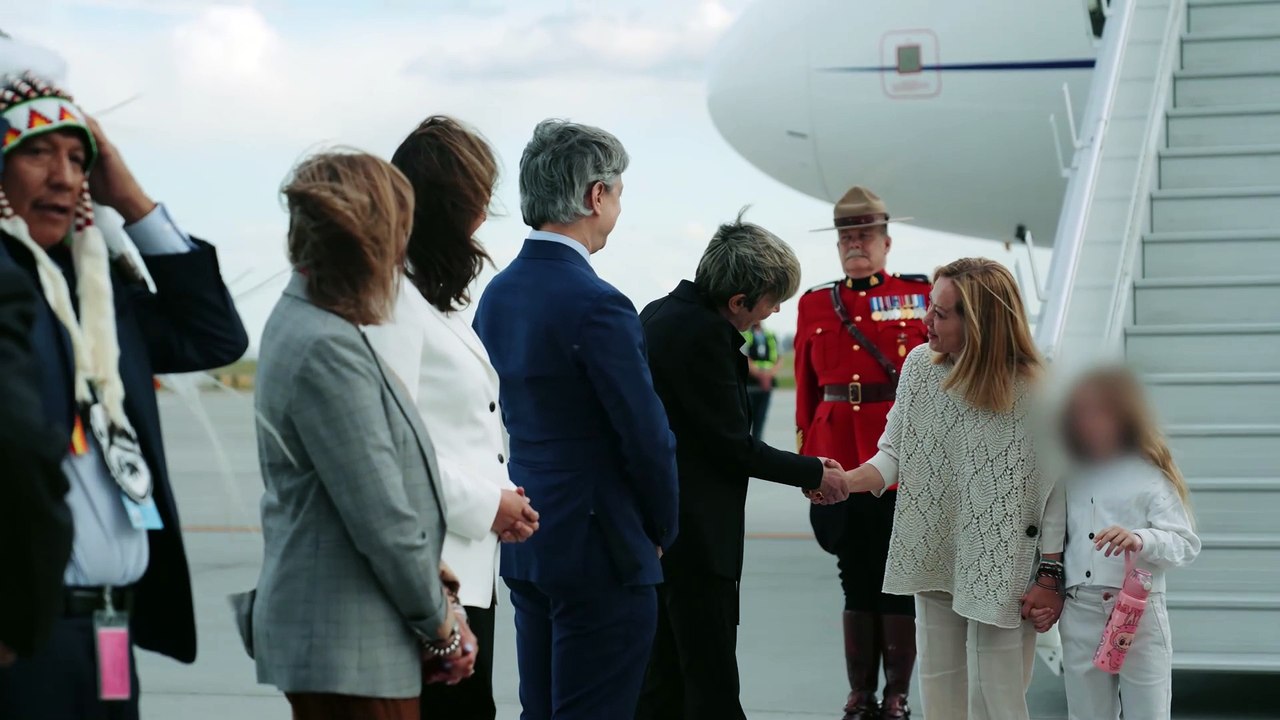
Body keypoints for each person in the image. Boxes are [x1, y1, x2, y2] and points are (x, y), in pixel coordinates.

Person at [0, 71, 249, 719]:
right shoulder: (8, 296)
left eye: (79, 158)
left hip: (112, 629)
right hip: (27, 637)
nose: (64, 176)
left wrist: (128, 196)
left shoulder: (100, 301)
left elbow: (213, 335)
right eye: (36, 151)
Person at [236, 149, 476, 720]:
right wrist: (442, 626)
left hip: (346, 642)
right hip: (351, 646)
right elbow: (381, 516)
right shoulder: (326, 347)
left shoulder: (316, 324)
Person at [473, 119, 679, 720]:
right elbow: (647, 438)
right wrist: (661, 529)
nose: (617, 207)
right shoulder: (600, 304)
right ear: (595, 195)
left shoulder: (499, 293)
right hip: (601, 545)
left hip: (530, 535)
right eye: (616, 193)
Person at [635, 211, 849, 720]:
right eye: (771, 304)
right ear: (738, 301)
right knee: (709, 684)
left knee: (662, 681)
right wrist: (815, 471)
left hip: (663, 532)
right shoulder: (704, 337)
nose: (771, 316)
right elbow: (732, 445)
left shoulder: (658, 314)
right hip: (697, 538)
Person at [365, 115, 540, 720]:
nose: (485, 215)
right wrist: (486, 503)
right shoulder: (391, 301)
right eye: (480, 198)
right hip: (429, 571)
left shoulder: (429, 297)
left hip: (466, 563)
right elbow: (385, 441)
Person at [839, 257, 1064, 720]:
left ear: (978, 322)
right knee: (939, 687)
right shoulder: (921, 368)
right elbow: (893, 455)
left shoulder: (1038, 390)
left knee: (997, 694)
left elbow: (1056, 491)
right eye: (930, 309)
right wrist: (844, 481)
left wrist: (1050, 575)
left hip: (1004, 561)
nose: (927, 322)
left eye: (941, 313)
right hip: (934, 546)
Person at [792, 186, 929, 719]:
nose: (856, 245)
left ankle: (896, 693)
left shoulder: (916, 296)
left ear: (886, 241)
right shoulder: (814, 304)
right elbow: (805, 390)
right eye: (847, 237)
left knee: (897, 576)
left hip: (899, 457)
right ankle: (860, 692)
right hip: (836, 457)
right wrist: (807, 458)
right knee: (854, 572)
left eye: (865, 236)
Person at [1043, 366, 1199, 720]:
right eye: (1081, 412)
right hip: (1080, 609)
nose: (1089, 422)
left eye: (1101, 411)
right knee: (1086, 714)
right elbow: (1051, 531)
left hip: (1139, 612)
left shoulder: (1150, 476)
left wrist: (1140, 539)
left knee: (1149, 712)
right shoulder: (1067, 473)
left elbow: (1185, 544)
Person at [0, 264, 73, 665]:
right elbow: (19, 447)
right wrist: (20, 619)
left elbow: (212, 337)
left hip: (102, 623)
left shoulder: (90, 278)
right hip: (37, 621)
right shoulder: (10, 283)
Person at [743, 321, 778, 441]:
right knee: (746, 421)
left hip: (766, 385)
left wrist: (769, 375)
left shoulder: (770, 335)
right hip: (750, 385)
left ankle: (757, 447)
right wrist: (760, 375)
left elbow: (779, 357)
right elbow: (744, 356)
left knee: (760, 420)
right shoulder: (746, 334)